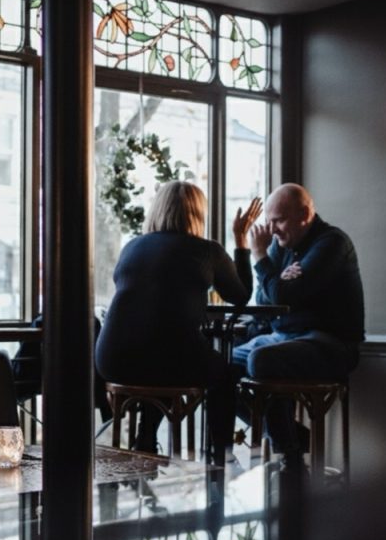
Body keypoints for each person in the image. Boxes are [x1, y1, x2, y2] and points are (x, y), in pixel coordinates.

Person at [95, 181, 261, 460]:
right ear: (198, 213)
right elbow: (241, 296)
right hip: (165, 358)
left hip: (112, 359)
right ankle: (220, 457)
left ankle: (146, 441)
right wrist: (241, 241)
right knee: (223, 373)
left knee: (161, 358)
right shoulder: (207, 250)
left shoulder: (131, 247)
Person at [232, 183, 365, 459]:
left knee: (260, 360)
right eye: (268, 222)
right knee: (222, 363)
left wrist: (260, 258)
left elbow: (284, 296)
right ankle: (293, 437)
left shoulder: (331, 243)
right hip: (284, 337)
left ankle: (288, 453)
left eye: (278, 220)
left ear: (304, 214)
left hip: (330, 343)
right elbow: (266, 300)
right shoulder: (281, 247)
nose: (272, 229)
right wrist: (278, 281)